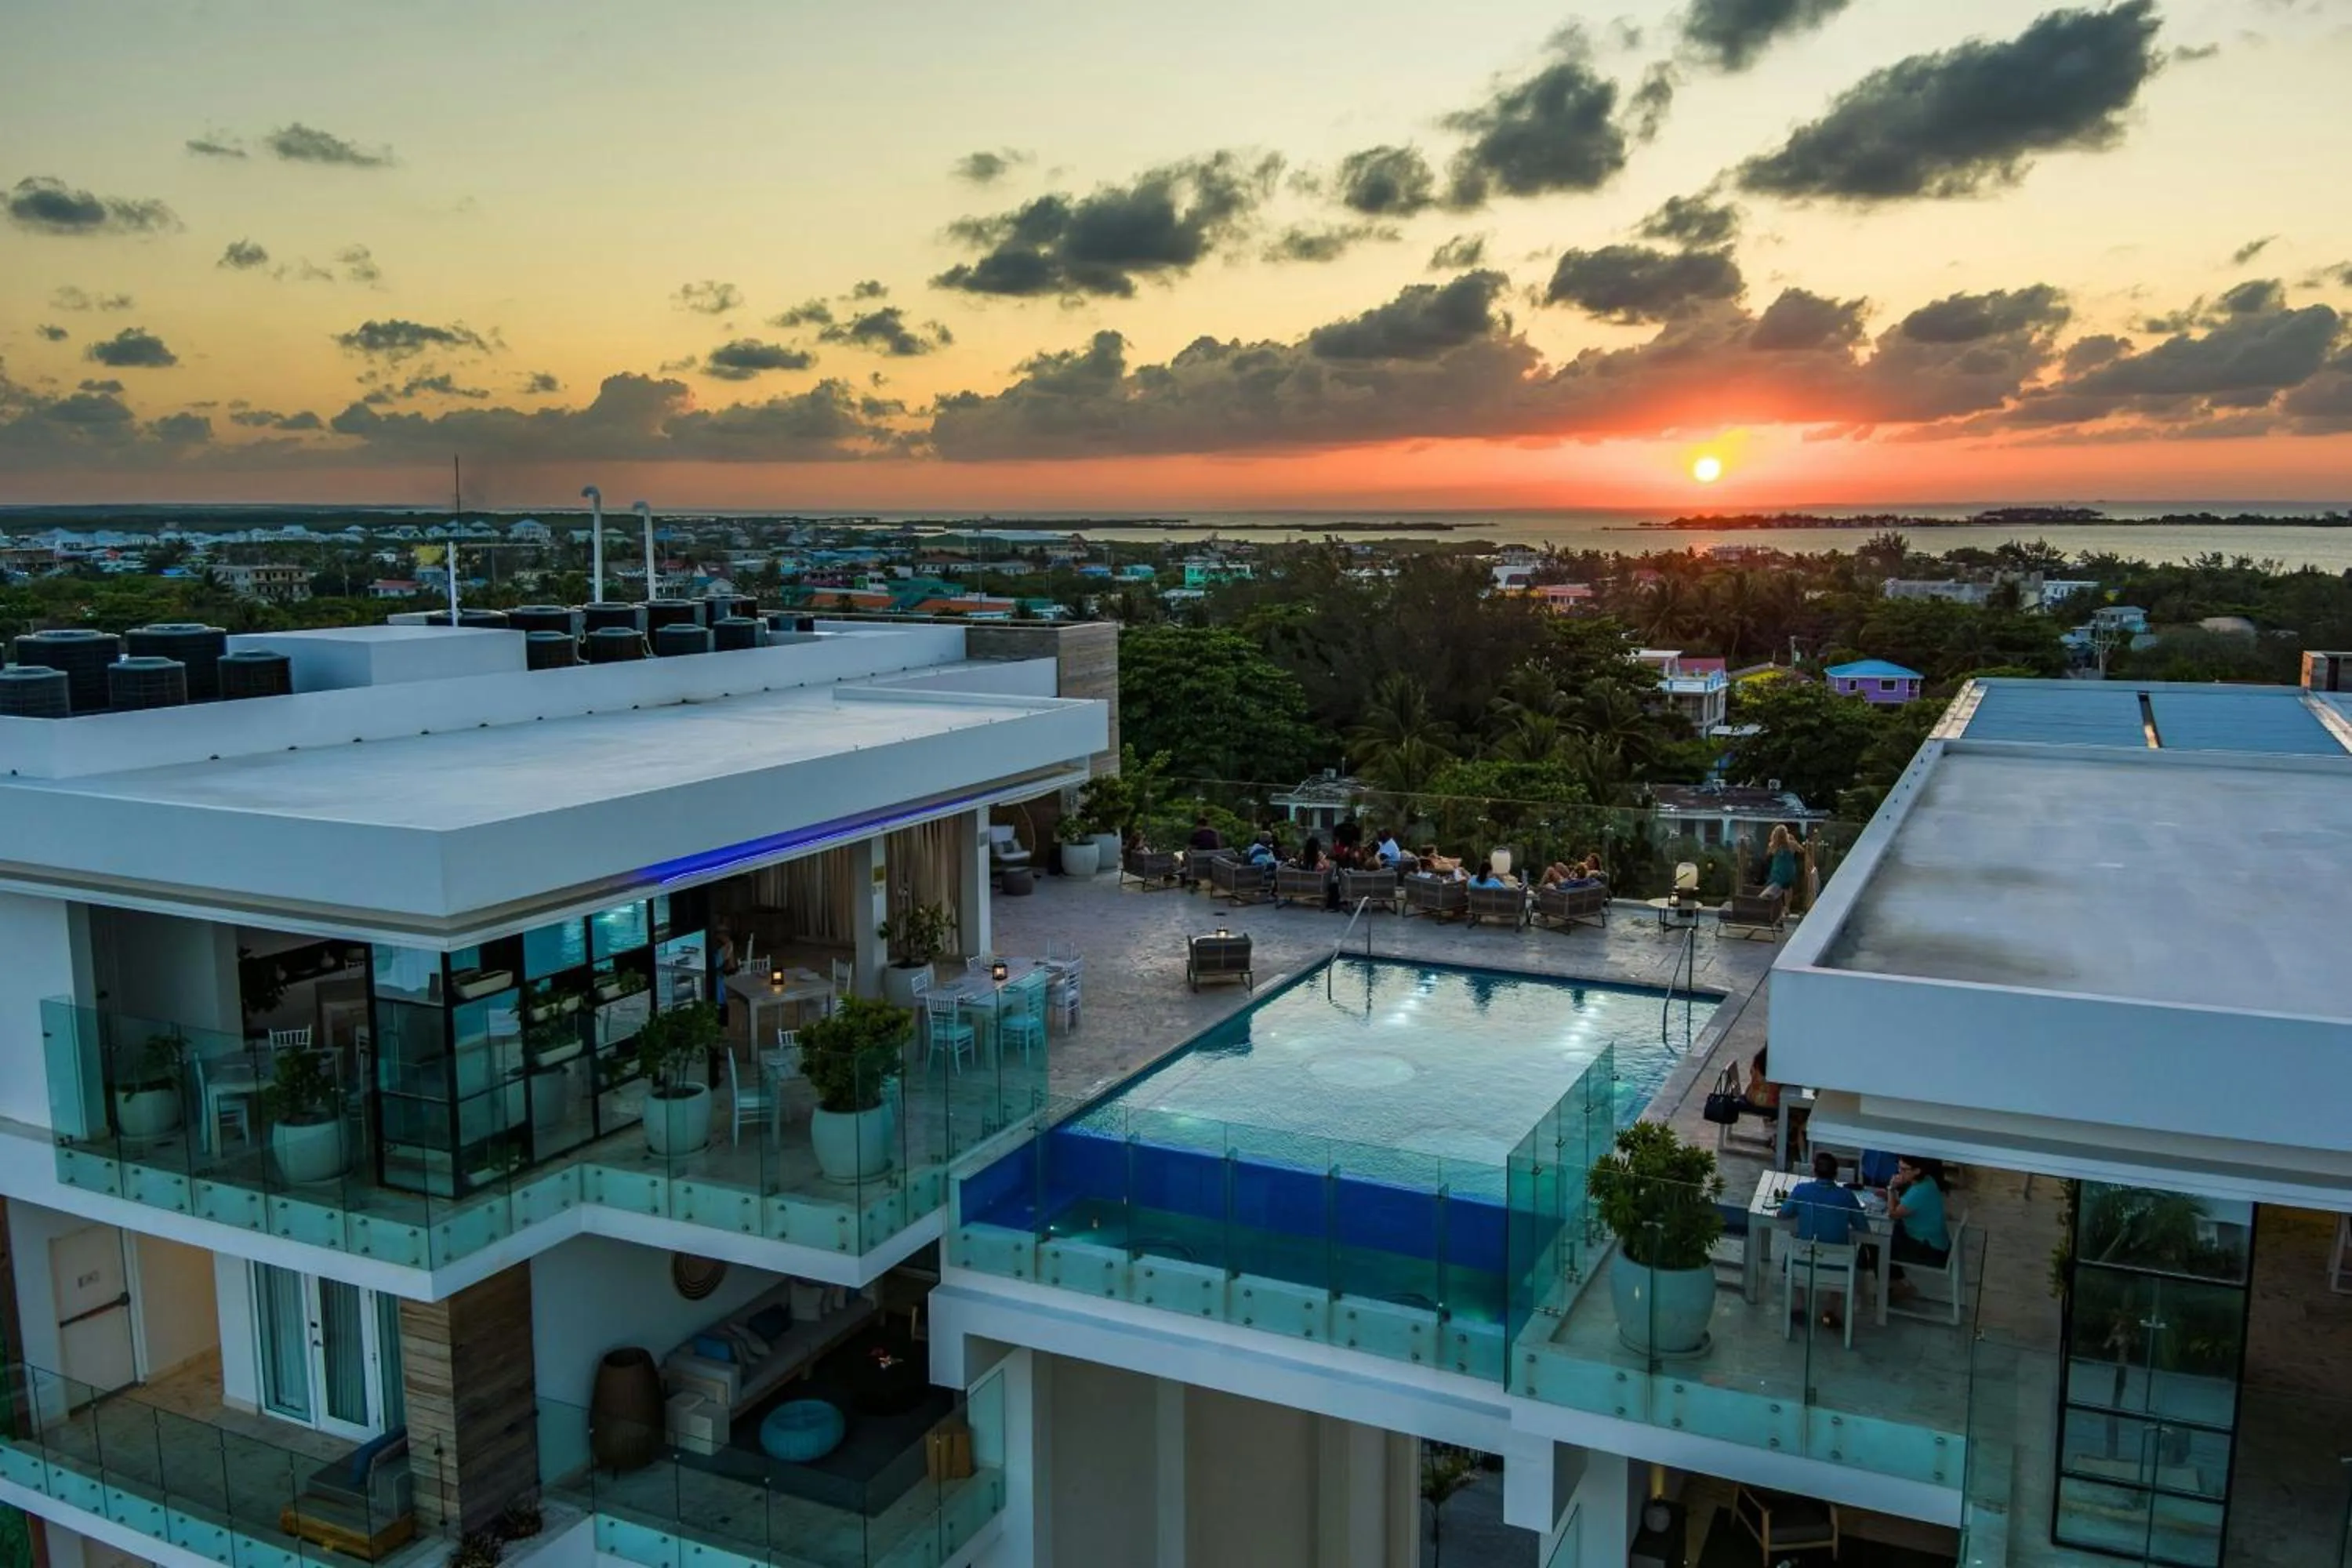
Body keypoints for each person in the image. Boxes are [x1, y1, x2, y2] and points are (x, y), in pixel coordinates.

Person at [1779, 1149, 1868, 1330]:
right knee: (1846, 1256)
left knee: (1791, 1256)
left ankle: (1800, 1305)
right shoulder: (1847, 1196)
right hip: (1838, 1267)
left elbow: (1783, 1214)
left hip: (1804, 1262)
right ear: (1836, 1174)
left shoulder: (1801, 1191)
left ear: (1814, 1171)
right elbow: (1863, 1228)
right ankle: (1830, 1311)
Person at [1883, 1156, 1952, 1296]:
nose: (1900, 1173)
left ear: (1917, 1171)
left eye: (1904, 1170)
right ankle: (1896, 1282)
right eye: (1899, 1168)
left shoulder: (1919, 1191)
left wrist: (1891, 1189)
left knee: (1879, 1246)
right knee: (1883, 1237)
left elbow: (1893, 1214)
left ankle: (1900, 1284)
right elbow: (1904, 1206)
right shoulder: (1928, 1181)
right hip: (1934, 1242)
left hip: (1929, 1249)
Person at [1764, 825, 1802, 895]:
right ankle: (1787, 902)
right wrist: (1794, 840)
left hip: (1777, 874)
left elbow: (1768, 854)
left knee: (1774, 889)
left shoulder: (1773, 845)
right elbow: (1801, 850)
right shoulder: (1791, 844)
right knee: (1788, 889)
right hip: (1788, 873)